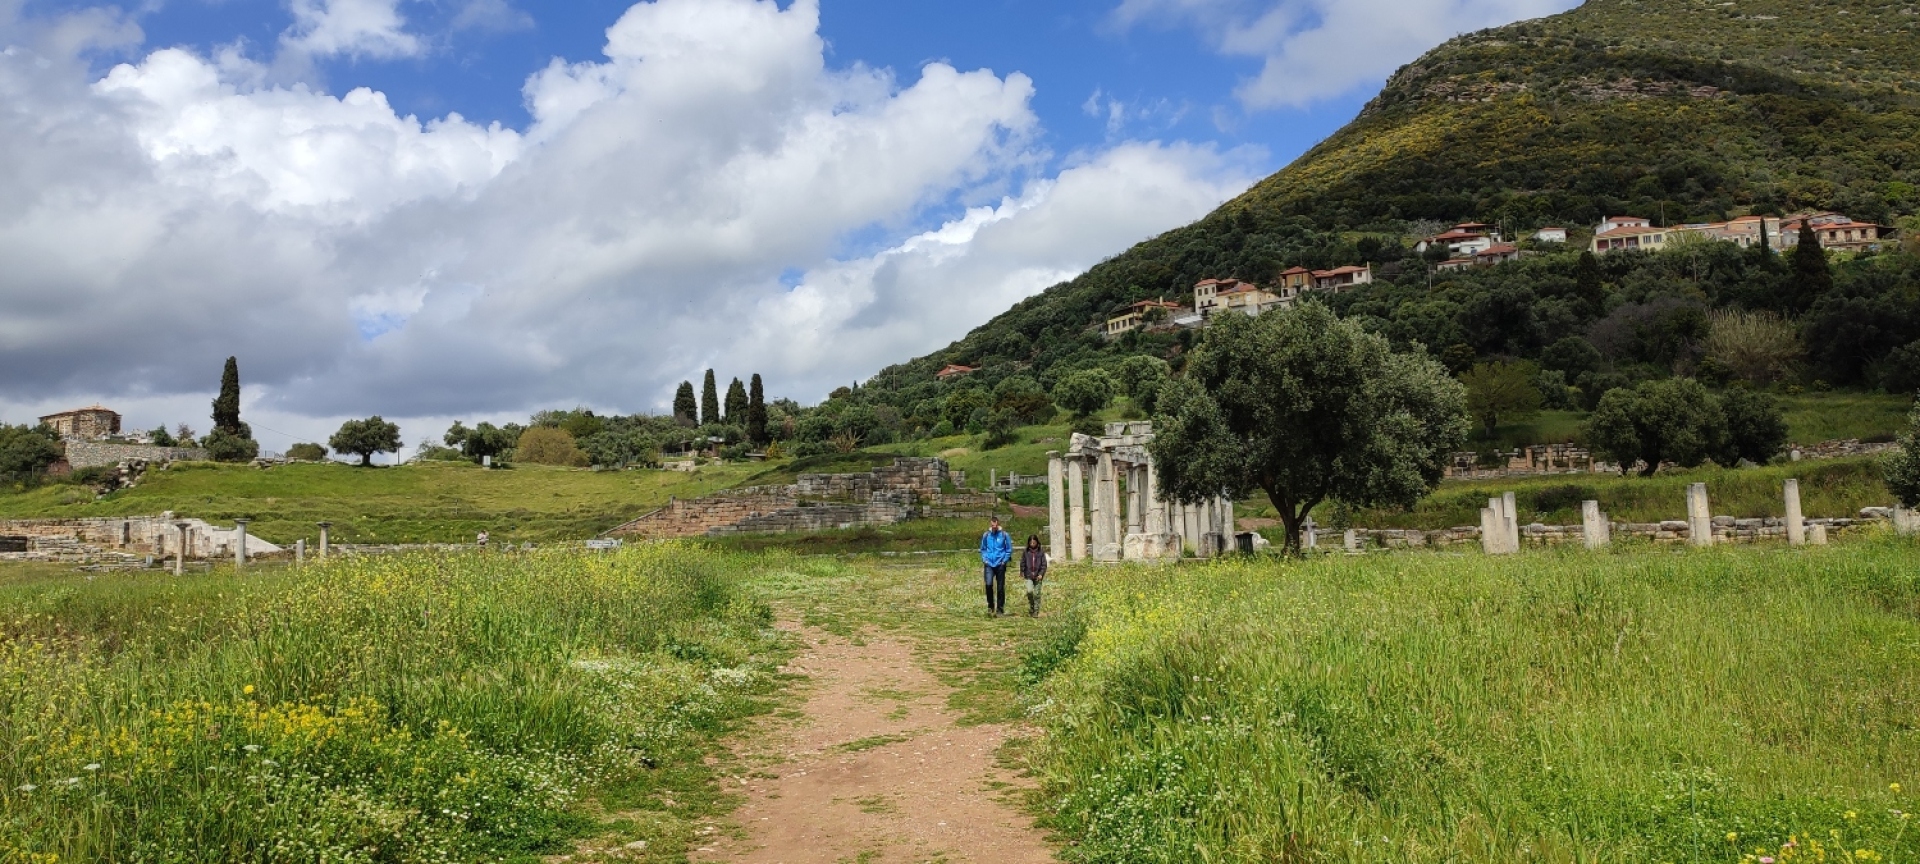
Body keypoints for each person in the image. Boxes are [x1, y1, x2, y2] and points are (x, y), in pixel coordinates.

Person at [978, 515, 1012, 617]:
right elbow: (983, 548)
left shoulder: (1004, 535)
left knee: (1000, 587)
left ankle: (1000, 609)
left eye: (995, 525)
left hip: (1000, 563)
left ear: (998, 524)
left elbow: (1009, 549)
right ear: (990, 524)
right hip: (989, 564)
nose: (994, 527)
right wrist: (984, 559)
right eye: (992, 525)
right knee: (988, 584)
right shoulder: (986, 535)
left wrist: (1004, 560)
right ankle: (991, 606)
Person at [1019, 534, 1048, 617]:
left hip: (1038, 576)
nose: (1032, 544)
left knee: (1037, 593)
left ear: (1037, 542)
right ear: (1028, 543)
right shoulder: (1026, 551)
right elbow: (1023, 562)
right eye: (1031, 542)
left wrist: (1041, 574)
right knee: (1029, 591)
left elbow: (1044, 565)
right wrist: (1022, 571)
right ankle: (1031, 605)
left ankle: (1036, 610)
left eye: (1034, 542)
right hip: (1028, 575)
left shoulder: (1041, 552)